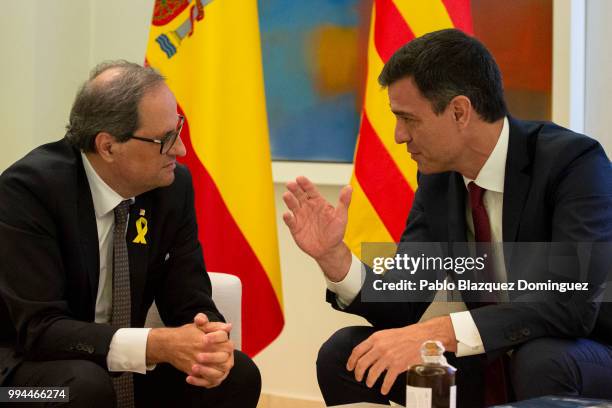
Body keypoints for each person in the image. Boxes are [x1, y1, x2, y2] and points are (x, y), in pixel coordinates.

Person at [283, 29, 612, 407]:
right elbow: (404, 302)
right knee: (349, 355)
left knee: (541, 359)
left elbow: (569, 305)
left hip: (587, 353)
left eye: (408, 119)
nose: (398, 136)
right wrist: (333, 257)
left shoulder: (573, 163)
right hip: (491, 356)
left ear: (459, 111)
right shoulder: (439, 179)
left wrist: (439, 332)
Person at [0, 61, 260, 408]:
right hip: (20, 381)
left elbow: (189, 298)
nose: (180, 150)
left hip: (119, 369)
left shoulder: (171, 188)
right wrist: (156, 344)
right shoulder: (29, 191)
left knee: (236, 374)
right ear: (108, 146)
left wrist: (209, 340)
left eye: (178, 129)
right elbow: (40, 330)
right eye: (165, 139)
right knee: (83, 388)